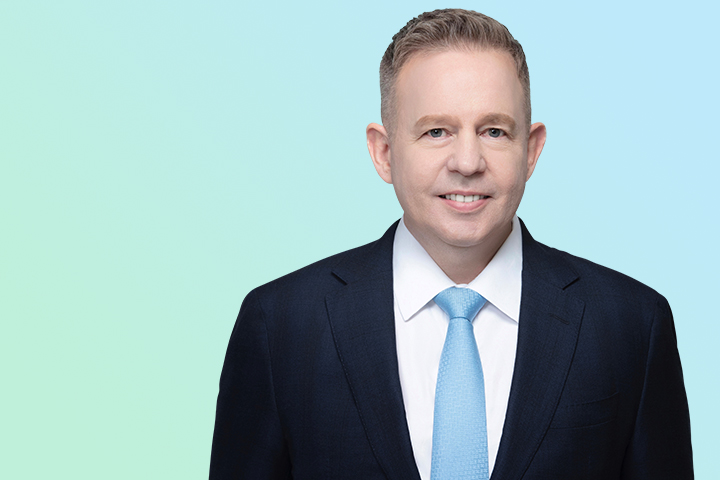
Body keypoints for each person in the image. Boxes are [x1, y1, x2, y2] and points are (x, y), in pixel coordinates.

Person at [209, 8, 692, 480]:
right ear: (384, 152)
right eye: (436, 131)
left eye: (494, 131)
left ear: (531, 149)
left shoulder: (631, 324)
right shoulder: (281, 326)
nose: (467, 161)